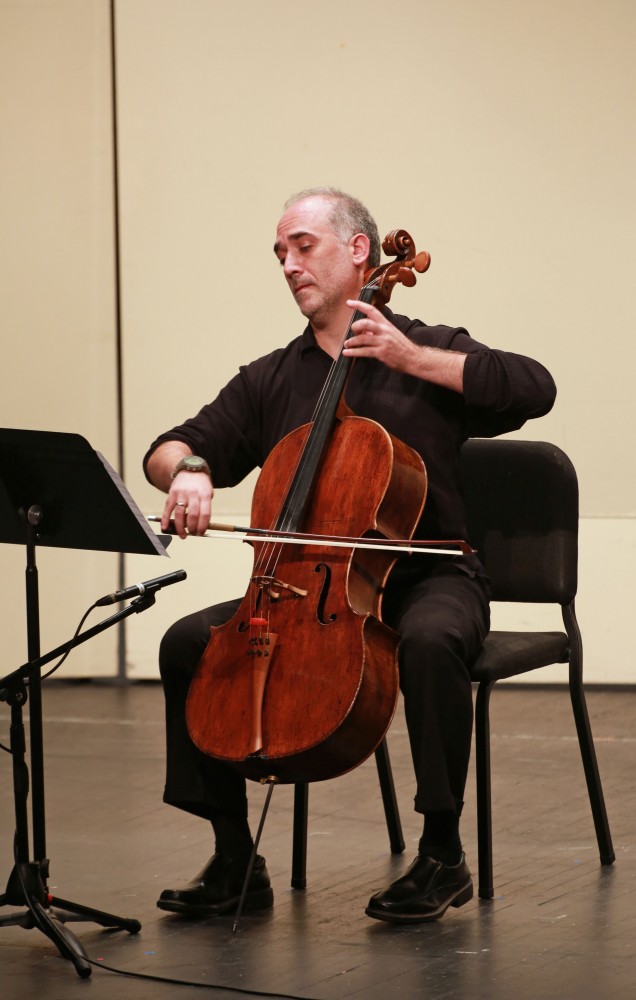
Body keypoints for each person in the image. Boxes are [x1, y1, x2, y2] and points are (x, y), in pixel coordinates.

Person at [144, 187, 556, 924]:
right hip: (305, 588)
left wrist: (414, 358)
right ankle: (236, 854)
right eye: (280, 253)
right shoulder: (273, 376)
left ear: (358, 250)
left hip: (431, 574)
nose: (288, 265)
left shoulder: (426, 345)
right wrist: (191, 472)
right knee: (185, 643)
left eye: (303, 247)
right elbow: (168, 447)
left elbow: (535, 386)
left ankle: (440, 853)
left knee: (430, 641)